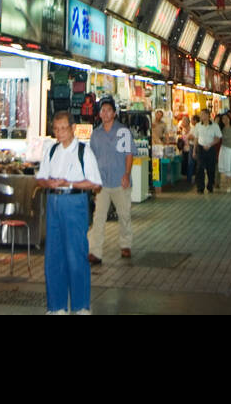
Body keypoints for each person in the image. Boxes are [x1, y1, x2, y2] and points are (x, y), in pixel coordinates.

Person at [36, 110, 102, 314]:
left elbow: (95, 183)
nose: (60, 133)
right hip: (53, 201)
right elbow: (40, 177)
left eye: (64, 128)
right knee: (54, 257)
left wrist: (69, 182)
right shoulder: (51, 150)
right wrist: (48, 182)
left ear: (72, 128)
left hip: (74, 203)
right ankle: (56, 307)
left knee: (76, 255)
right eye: (56, 129)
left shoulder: (84, 152)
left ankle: (81, 306)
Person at [88, 96, 134, 264]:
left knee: (124, 215)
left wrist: (127, 174)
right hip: (102, 183)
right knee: (98, 217)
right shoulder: (96, 134)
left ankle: (125, 244)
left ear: (114, 113)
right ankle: (95, 251)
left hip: (120, 181)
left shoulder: (123, 131)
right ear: (99, 114)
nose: (105, 113)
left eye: (108, 110)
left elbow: (129, 154)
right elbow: (92, 158)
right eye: (103, 110)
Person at [192, 109, 223, 194]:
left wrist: (210, 145)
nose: (201, 116)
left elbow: (218, 138)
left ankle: (210, 185)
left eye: (202, 114)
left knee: (211, 168)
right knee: (200, 168)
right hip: (200, 148)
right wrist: (194, 150)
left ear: (207, 115)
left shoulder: (214, 126)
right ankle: (200, 187)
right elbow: (196, 138)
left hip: (210, 149)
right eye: (200, 115)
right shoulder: (198, 126)